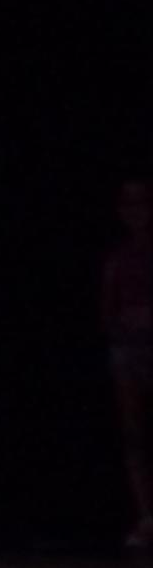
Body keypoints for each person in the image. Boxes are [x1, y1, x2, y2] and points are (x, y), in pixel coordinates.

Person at [101, 177, 153, 548]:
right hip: (128, 350)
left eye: (142, 204)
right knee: (134, 434)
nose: (136, 212)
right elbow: (107, 310)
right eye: (129, 205)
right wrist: (124, 324)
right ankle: (145, 517)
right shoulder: (118, 258)